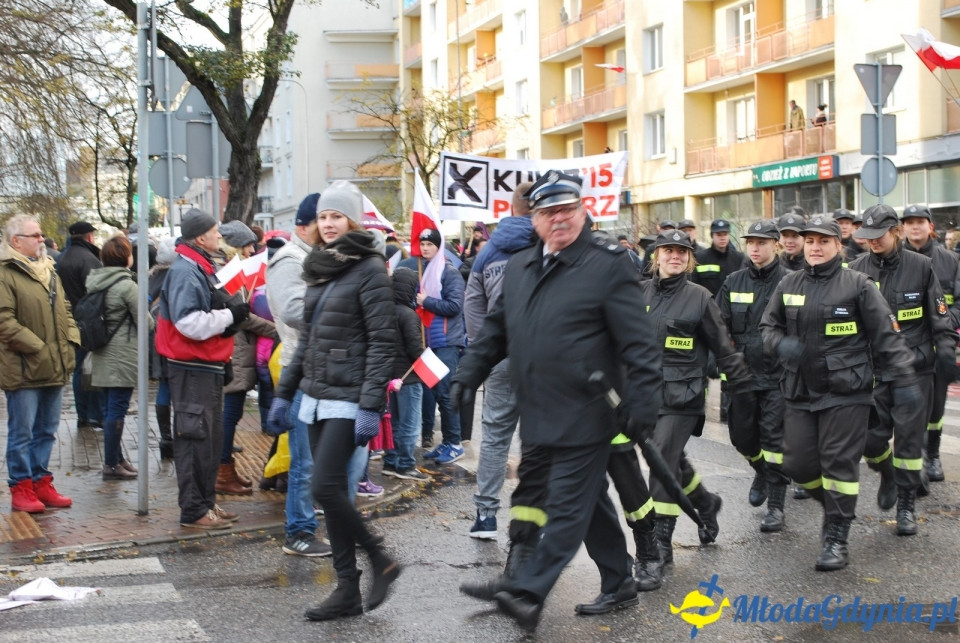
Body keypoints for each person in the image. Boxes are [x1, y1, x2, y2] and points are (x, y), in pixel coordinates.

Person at [450, 170, 661, 631]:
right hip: (539, 406)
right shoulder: (524, 265)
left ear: (583, 211)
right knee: (559, 498)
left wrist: (644, 399)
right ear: (535, 220)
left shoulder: (607, 264)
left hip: (591, 408)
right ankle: (617, 579)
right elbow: (497, 330)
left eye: (567, 210)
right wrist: (468, 372)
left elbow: (639, 342)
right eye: (548, 212)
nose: (559, 219)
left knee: (567, 503)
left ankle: (527, 590)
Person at [760, 215, 921, 571]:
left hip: (847, 390)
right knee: (798, 465)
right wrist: (779, 343)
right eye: (810, 242)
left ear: (839, 246)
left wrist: (906, 379)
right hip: (800, 389)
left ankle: (836, 537)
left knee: (838, 463)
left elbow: (887, 336)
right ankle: (835, 507)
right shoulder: (789, 284)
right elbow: (767, 326)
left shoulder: (858, 285)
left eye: (824, 241)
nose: (815, 248)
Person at [269, 181, 399, 620]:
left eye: (336, 216)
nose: (328, 223)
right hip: (317, 396)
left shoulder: (369, 269)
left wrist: (370, 404)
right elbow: (307, 343)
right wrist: (284, 393)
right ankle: (348, 589)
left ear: (353, 221)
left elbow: (384, 342)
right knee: (331, 490)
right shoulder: (320, 269)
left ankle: (381, 558)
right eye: (323, 216)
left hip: (349, 397)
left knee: (325, 485)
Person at [641, 230, 751, 565]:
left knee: (661, 459)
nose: (674, 256)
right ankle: (705, 503)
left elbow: (722, 345)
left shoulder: (700, 297)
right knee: (669, 459)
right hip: (644, 394)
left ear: (689, 259)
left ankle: (661, 540)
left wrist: (742, 384)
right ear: (656, 256)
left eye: (681, 252)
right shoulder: (637, 292)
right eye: (668, 251)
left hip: (682, 395)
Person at [849, 205, 958, 536]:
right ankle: (887, 472)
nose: (873, 242)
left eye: (878, 235)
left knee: (910, 443)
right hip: (874, 370)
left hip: (915, 370)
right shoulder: (854, 269)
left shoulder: (922, 267)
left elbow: (939, 316)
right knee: (870, 439)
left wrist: (946, 354)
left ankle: (907, 505)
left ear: (895, 232)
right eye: (867, 237)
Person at [156, 208, 248, 530]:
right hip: (191, 366)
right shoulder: (186, 270)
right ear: (200, 237)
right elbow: (188, 322)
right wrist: (229, 317)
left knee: (208, 438)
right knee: (195, 439)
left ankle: (205, 503)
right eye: (214, 231)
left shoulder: (198, 265)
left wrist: (229, 315)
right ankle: (194, 510)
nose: (219, 235)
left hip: (203, 364)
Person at [462, 182, 535, 540]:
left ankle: (486, 516)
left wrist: (482, 348)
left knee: (494, 437)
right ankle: (533, 518)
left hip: (500, 355)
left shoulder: (488, 252)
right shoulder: (549, 245)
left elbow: (472, 303)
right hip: (543, 358)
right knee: (538, 439)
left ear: (511, 206)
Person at [264, 192, 331, 557]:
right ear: (307, 226)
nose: (328, 229)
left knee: (319, 456)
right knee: (304, 458)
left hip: (319, 366)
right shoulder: (289, 260)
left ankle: (314, 524)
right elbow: (292, 310)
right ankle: (299, 532)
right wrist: (336, 307)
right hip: (299, 366)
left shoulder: (312, 258)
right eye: (323, 221)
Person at [716, 220, 792, 532]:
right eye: (751, 243)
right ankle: (760, 468)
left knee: (774, 440)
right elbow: (718, 325)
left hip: (778, 375)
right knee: (741, 437)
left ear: (776, 245)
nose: (755, 248)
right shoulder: (734, 281)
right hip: (741, 375)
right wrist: (717, 358)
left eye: (762, 242)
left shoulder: (790, 281)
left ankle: (776, 506)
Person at [0, 215, 77, 513]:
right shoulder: (6, 272)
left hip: (53, 365)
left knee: (47, 429)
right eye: (34, 235)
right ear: (16, 240)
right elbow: (4, 321)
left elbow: (66, 309)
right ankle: (21, 487)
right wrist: (38, 347)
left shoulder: (49, 270)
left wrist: (71, 339)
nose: (41, 239)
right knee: (23, 432)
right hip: (23, 367)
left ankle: (40, 482)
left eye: (41, 234)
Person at [86, 235, 154, 480]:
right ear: (126, 258)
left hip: (101, 353)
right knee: (117, 409)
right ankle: (111, 465)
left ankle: (116, 458)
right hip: (122, 355)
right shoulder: (127, 286)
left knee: (108, 409)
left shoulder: (96, 281)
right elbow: (145, 323)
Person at [217, 220, 278, 495]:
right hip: (233, 352)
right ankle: (222, 472)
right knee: (228, 415)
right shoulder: (227, 272)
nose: (254, 249)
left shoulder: (233, 269)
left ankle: (226, 468)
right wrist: (274, 329)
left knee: (233, 413)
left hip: (238, 352)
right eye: (249, 245)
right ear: (236, 247)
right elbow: (240, 316)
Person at [902, 204, 960, 484]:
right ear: (902, 228)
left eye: (920, 222)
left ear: (930, 226)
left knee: (936, 406)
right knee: (908, 407)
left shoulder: (950, 260)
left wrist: (945, 321)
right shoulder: (896, 260)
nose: (915, 227)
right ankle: (911, 461)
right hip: (905, 345)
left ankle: (933, 455)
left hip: (940, 342)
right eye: (909, 222)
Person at [413, 228, 467, 464]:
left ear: (438, 246)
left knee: (446, 394)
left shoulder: (449, 272)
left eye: (429, 244)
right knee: (437, 393)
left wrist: (427, 301)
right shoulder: (424, 272)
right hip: (429, 342)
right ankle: (446, 441)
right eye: (422, 244)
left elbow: (455, 306)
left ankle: (455, 444)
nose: (424, 248)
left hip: (447, 341)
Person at [382, 267, 430, 482]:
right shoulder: (408, 315)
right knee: (410, 424)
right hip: (408, 378)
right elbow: (414, 349)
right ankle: (406, 465)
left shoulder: (383, 311)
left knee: (393, 423)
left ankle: (390, 461)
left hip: (389, 378)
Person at [57, 220, 105, 430]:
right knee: (90, 368)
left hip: (69, 318)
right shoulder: (89, 259)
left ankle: (83, 414)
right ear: (89, 237)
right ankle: (93, 416)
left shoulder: (61, 258)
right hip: (88, 320)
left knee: (79, 369)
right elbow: (96, 293)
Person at [148, 237, 177, 459]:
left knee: (164, 387)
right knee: (176, 388)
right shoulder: (175, 277)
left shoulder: (151, 277)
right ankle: (173, 437)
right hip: (170, 336)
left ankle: (165, 438)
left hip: (153, 337)